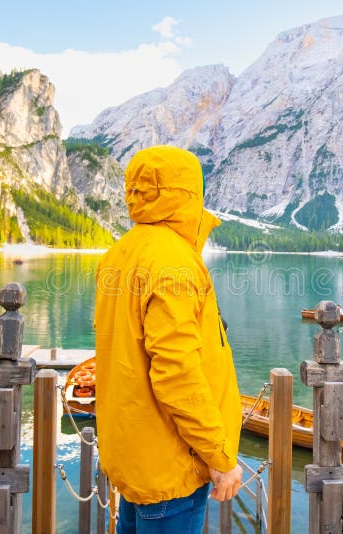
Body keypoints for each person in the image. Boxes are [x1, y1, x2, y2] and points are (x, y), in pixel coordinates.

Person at [94, 145, 243, 533]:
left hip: (135, 459)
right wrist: (220, 457)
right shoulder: (174, 263)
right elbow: (177, 374)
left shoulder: (119, 254)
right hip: (172, 465)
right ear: (189, 194)